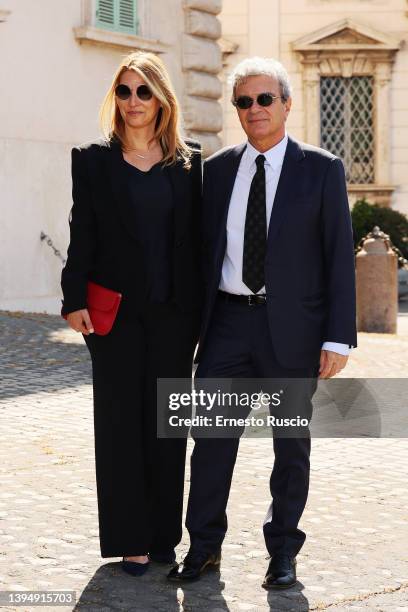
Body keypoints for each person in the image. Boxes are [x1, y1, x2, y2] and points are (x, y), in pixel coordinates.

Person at [168, 57, 357, 588]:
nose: (254, 110)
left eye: (264, 99)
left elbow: (339, 257)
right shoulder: (218, 169)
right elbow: (200, 254)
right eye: (244, 102)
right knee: (210, 443)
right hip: (227, 326)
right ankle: (203, 548)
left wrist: (338, 336)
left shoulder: (322, 169)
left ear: (286, 104)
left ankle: (283, 551)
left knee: (290, 447)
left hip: (292, 332)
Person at [61, 51, 203, 576]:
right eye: (124, 91)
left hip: (174, 316)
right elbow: (83, 234)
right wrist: (72, 297)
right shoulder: (93, 160)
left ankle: (164, 536)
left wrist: (204, 315)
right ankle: (131, 541)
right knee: (120, 426)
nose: (133, 101)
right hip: (114, 317)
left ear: (161, 98)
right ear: (114, 99)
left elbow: (200, 245)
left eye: (144, 91)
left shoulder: (190, 163)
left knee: (168, 427)